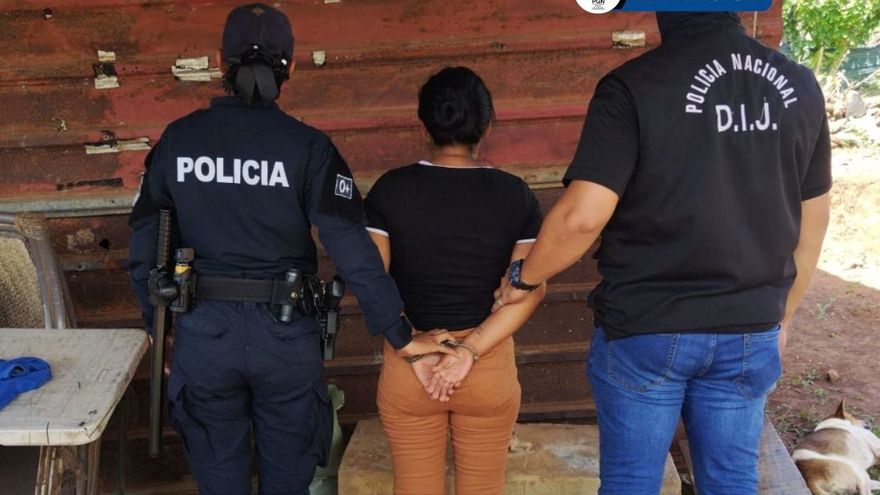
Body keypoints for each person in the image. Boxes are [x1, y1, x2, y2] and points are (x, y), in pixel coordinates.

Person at [496, 12, 831, 494]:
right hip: (749, 327)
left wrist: (524, 277)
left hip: (648, 327)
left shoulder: (633, 86)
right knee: (731, 483)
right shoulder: (800, 86)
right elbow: (813, 224)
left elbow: (582, 217)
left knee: (632, 483)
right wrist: (782, 316)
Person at [127, 4, 455, 494]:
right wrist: (400, 335)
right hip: (284, 338)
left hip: (204, 334)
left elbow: (145, 242)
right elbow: (352, 247)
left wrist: (160, 327)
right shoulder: (309, 148)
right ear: (293, 67)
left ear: (220, 61)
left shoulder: (179, 140)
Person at [364, 67, 546, 495]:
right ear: (487, 126)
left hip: (412, 362)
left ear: (423, 125)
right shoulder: (514, 194)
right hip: (485, 365)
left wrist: (410, 347)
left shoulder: (389, 190)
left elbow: (371, 280)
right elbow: (529, 290)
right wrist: (468, 351)